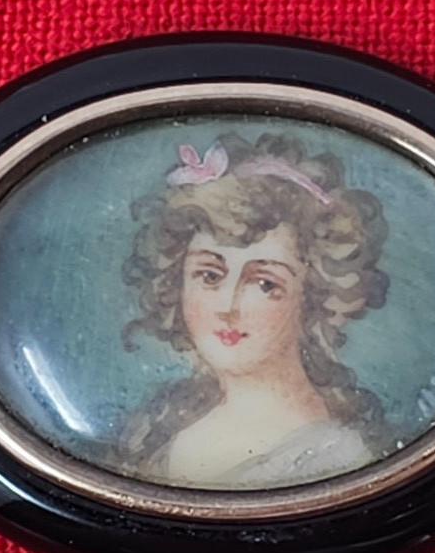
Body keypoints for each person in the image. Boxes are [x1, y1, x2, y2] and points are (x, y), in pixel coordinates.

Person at [118, 132, 390, 489]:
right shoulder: (169, 420)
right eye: (210, 275)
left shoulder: (336, 455)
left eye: (264, 284)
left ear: (312, 298)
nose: (227, 306)